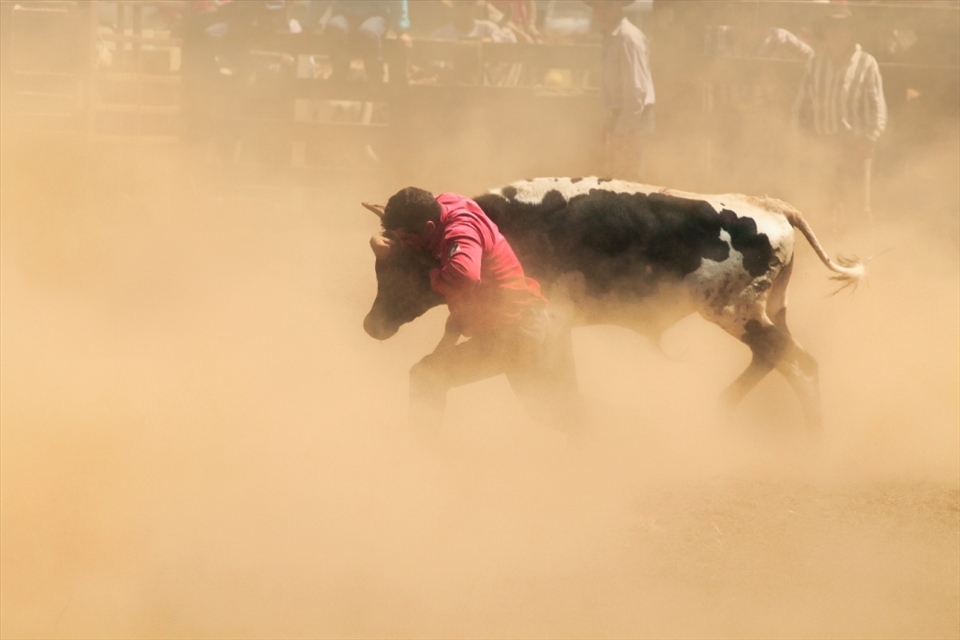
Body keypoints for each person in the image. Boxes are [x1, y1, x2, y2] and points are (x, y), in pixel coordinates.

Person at [380, 187, 582, 438]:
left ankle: (419, 458)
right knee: (550, 411)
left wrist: (431, 274)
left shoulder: (459, 233)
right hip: (521, 321)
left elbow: (465, 273)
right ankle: (618, 433)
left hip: (516, 333)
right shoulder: (444, 205)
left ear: (429, 227)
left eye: (407, 239)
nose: (403, 245)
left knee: (426, 376)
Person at [792, 8, 887, 228]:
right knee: (822, 202)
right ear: (825, 30)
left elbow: (877, 106)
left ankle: (858, 251)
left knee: (857, 204)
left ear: (851, 31)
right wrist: (799, 136)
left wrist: (870, 138)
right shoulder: (815, 63)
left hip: (854, 144)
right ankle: (826, 250)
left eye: (843, 26)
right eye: (832, 26)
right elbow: (802, 103)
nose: (837, 32)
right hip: (822, 143)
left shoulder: (866, 62)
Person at [590, 0, 656, 182]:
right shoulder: (612, 37)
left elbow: (636, 90)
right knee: (619, 178)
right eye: (597, 6)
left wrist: (622, 131)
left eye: (608, 5)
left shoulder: (628, 37)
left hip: (634, 119)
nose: (602, 10)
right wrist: (610, 121)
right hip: (624, 117)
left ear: (619, 6)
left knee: (630, 181)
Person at [324, 0, 411, 83]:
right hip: (343, 13)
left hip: (376, 14)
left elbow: (398, 1)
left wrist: (401, 30)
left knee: (370, 32)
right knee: (335, 27)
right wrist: (310, 25)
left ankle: (375, 78)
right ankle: (339, 74)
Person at [432, 1, 517, 43]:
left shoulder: (486, 28)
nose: (465, 7)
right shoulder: (441, 35)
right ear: (453, 6)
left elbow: (511, 39)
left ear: (476, 6)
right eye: (460, 3)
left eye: (470, 3)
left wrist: (488, 40)